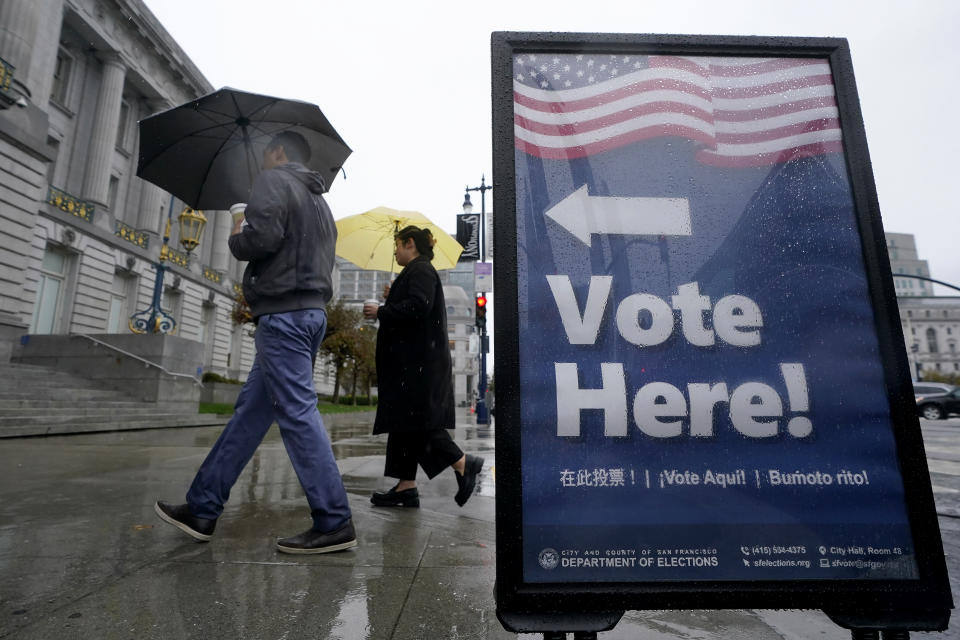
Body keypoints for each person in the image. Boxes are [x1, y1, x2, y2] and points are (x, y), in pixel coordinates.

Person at [155, 131, 355, 554]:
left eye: (265, 154)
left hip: (283, 314)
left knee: (298, 414)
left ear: (278, 152)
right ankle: (202, 508)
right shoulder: (320, 202)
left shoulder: (273, 181)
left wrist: (236, 231)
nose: (262, 162)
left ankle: (334, 520)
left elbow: (258, 243)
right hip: (309, 312)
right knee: (250, 416)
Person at [363, 225, 484, 508]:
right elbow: (415, 304)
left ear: (410, 244)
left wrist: (381, 310)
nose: (395, 251)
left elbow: (418, 306)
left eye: (397, 245)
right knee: (403, 424)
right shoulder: (417, 272)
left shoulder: (421, 270)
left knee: (419, 424)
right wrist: (393, 296)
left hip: (417, 366)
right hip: (412, 365)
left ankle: (464, 463)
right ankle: (406, 486)